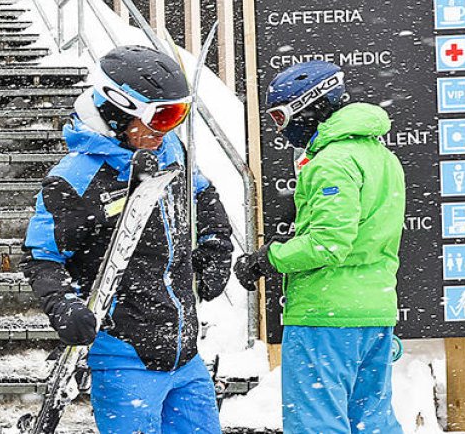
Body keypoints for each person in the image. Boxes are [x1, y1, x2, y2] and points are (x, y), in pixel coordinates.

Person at [21, 45, 234, 434]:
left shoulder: (169, 149)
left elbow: (204, 195)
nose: (166, 130)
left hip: (185, 353)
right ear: (117, 109)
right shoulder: (75, 179)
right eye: (162, 117)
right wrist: (63, 305)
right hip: (124, 357)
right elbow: (41, 257)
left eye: (178, 115)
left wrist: (216, 246)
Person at [235, 61, 405, 434]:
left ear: (309, 107)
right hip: (374, 311)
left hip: (326, 313)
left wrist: (268, 259)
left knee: (315, 422)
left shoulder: (332, 162)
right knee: (372, 421)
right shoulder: (381, 156)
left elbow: (329, 245)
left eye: (280, 116)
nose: (280, 129)